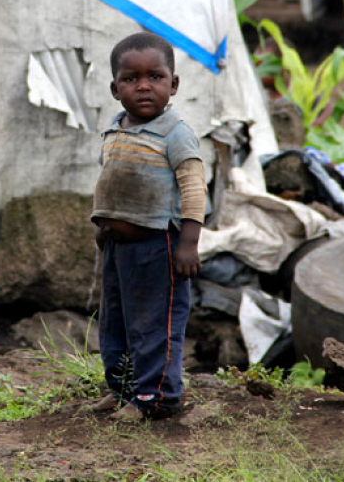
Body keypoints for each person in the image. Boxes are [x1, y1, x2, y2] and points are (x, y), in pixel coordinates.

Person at [90, 32, 207, 421]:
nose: (143, 86)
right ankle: (123, 390)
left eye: (155, 77)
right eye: (131, 78)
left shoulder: (175, 132)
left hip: (158, 248)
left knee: (154, 325)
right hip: (118, 250)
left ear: (173, 85)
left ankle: (156, 398)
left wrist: (188, 243)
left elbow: (193, 188)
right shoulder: (116, 127)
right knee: (117, 323)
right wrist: (103, 224)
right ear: (114, 88)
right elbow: (112, 181)